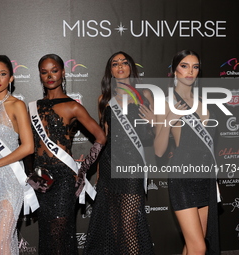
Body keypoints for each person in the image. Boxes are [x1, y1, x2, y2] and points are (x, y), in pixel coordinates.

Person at [28, 53, 106, 255]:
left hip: (64, 178)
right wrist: (30, 173)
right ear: (40, 75)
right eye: (44, 72)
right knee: (46, 232)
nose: (50, 76)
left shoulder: (73, 106)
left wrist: (84, 169)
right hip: (40, 177)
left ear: (63, 72)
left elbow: (101, 137)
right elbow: (28, 145)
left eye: (54, 70)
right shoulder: (32, 107)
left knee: (60, 233)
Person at [84, 51, 155, 254]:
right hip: (108, 165)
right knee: (114, 225)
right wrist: (98, 170)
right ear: (111, 71)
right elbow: (103, 139)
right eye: (115, 64)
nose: (120, 66)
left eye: (124, 62)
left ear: (131, 67)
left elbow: (157, 136)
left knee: (128, 225)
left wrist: (153, 122)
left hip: (132, 165)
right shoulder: (104, 99)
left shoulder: (145, 95)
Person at [154, 50, 219, 254]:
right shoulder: (166, 103)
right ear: (175, 70)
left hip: (205, 176)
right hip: (183, 176)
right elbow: (158, 150)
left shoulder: (205, 102)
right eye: (184, 65)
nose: (190, 71)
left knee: (194, 243)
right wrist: (168, 121)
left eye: (195, 66)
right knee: (198, 247)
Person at [0, 54, 36, 255]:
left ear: (11, 78)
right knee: (1, 242)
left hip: (10, 181)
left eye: (3, 74)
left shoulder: (17, 105)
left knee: (0, 243)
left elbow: (28, 147)